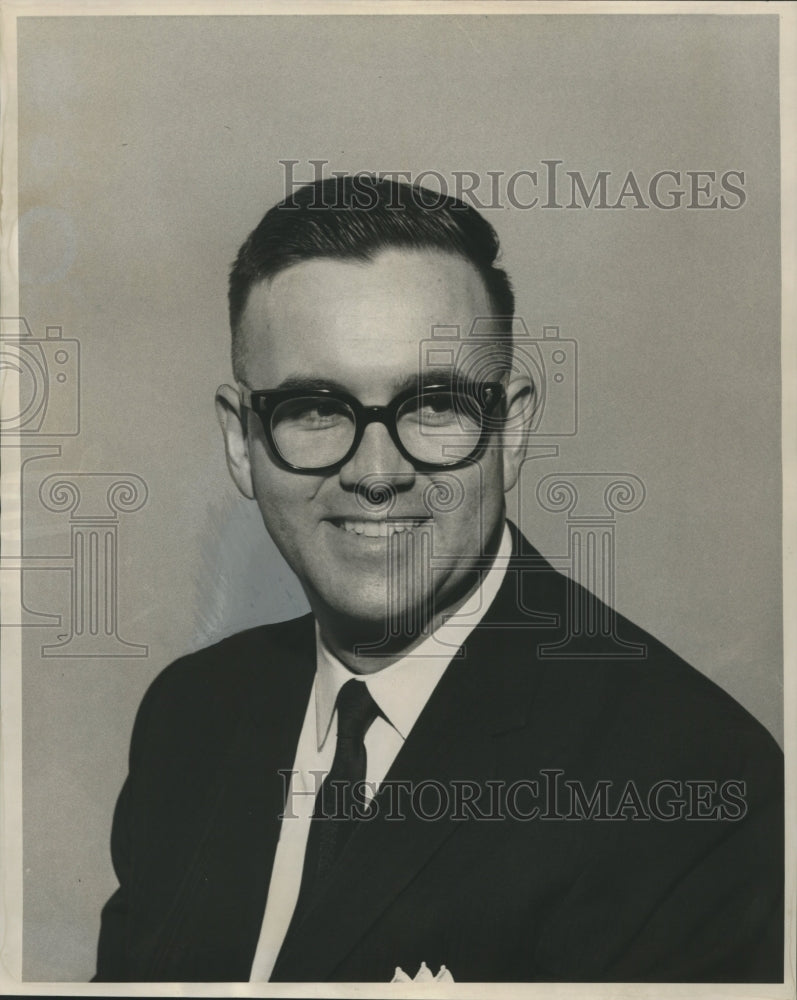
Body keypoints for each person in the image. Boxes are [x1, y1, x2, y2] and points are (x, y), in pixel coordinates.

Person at [94, 176, 783, 983]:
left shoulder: (693, 780)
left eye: (433, 406)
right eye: (316, 409)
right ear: (242, 442)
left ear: (511, 430)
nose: (376, 473)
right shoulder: (190, 716)